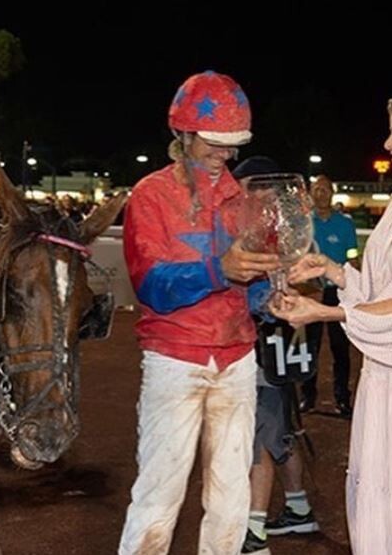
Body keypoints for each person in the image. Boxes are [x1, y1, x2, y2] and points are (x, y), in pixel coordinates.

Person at [118, 71, 280, 555]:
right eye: (213, 141)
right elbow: (152, 287)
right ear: (183, 134)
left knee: (232, 499)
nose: (224, 153)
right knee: (158, 496)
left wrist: (274, 292)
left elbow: (253, 288)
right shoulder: (150, 194)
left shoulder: (246, 201)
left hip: (237, 359)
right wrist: (219, 269)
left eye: (232, 145)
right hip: (175, 360)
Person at [270, 99, 392, 554]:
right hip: (381, 383)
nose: (386, 143)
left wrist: (323, 313)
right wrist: (336, 272)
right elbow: (383, 290)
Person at [233, 157, 319, 555]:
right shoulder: (281, 227)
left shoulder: (271, 232)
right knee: (281, 431)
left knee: (261, 439)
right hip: (278, 343)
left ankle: (253, 533)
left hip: (265, 342)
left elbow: (283, 292)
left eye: (250, 186)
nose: (246, 194)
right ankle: (298, 507)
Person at [299, 175, 359, 417]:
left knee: (339, 347)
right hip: (311, 290)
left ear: (332, 193)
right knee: (309, 345)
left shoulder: (345, 224)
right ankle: (308, 397)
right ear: (311, 194)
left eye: (325, 189)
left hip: (337, 291)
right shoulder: (304, 224)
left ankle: (342, 398)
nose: (321, 194)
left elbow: (352, 255)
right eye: (317, 190)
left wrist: (354, 282)